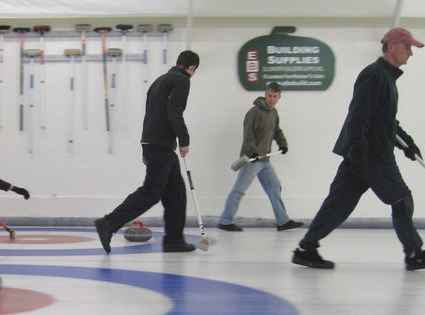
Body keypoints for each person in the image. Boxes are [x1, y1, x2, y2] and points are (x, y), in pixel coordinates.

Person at [292, 28, 425, 270]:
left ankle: (306, 248)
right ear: (392, 45)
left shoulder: (385, 77)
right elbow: (358, 118)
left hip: (367, 153)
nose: (410, 54)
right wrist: (361, 155)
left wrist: (406, 142)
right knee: (402, 198)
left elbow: (384, 120)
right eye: (407, 48)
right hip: (373, 155)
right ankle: (414, 253)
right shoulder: (374, 75)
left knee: (339, 203)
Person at [94, 50, 200, 253]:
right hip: (161, 145)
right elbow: (174, 111)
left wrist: (145, 146)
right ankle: (108, 223)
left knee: (176, 193)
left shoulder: (159, 81)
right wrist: (184, 139)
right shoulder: (182, 80)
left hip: (157, 145)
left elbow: (150, 114)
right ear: (192, 67)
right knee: (152, 191)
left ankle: (173, 240)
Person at [218, 82, 303, 232]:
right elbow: (248, 137)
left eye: (274, 96)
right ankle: (225, 221)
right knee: (239, 190)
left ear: (279, 97)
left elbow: (277, 131)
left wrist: (283, 144)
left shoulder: (274, 113)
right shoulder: (254, 113)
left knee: (275, 187)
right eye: (269, 95)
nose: (271, 99)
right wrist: (254, 153)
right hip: (251, 159)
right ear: (265, 94)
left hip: (264, 160)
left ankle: (283, 221)